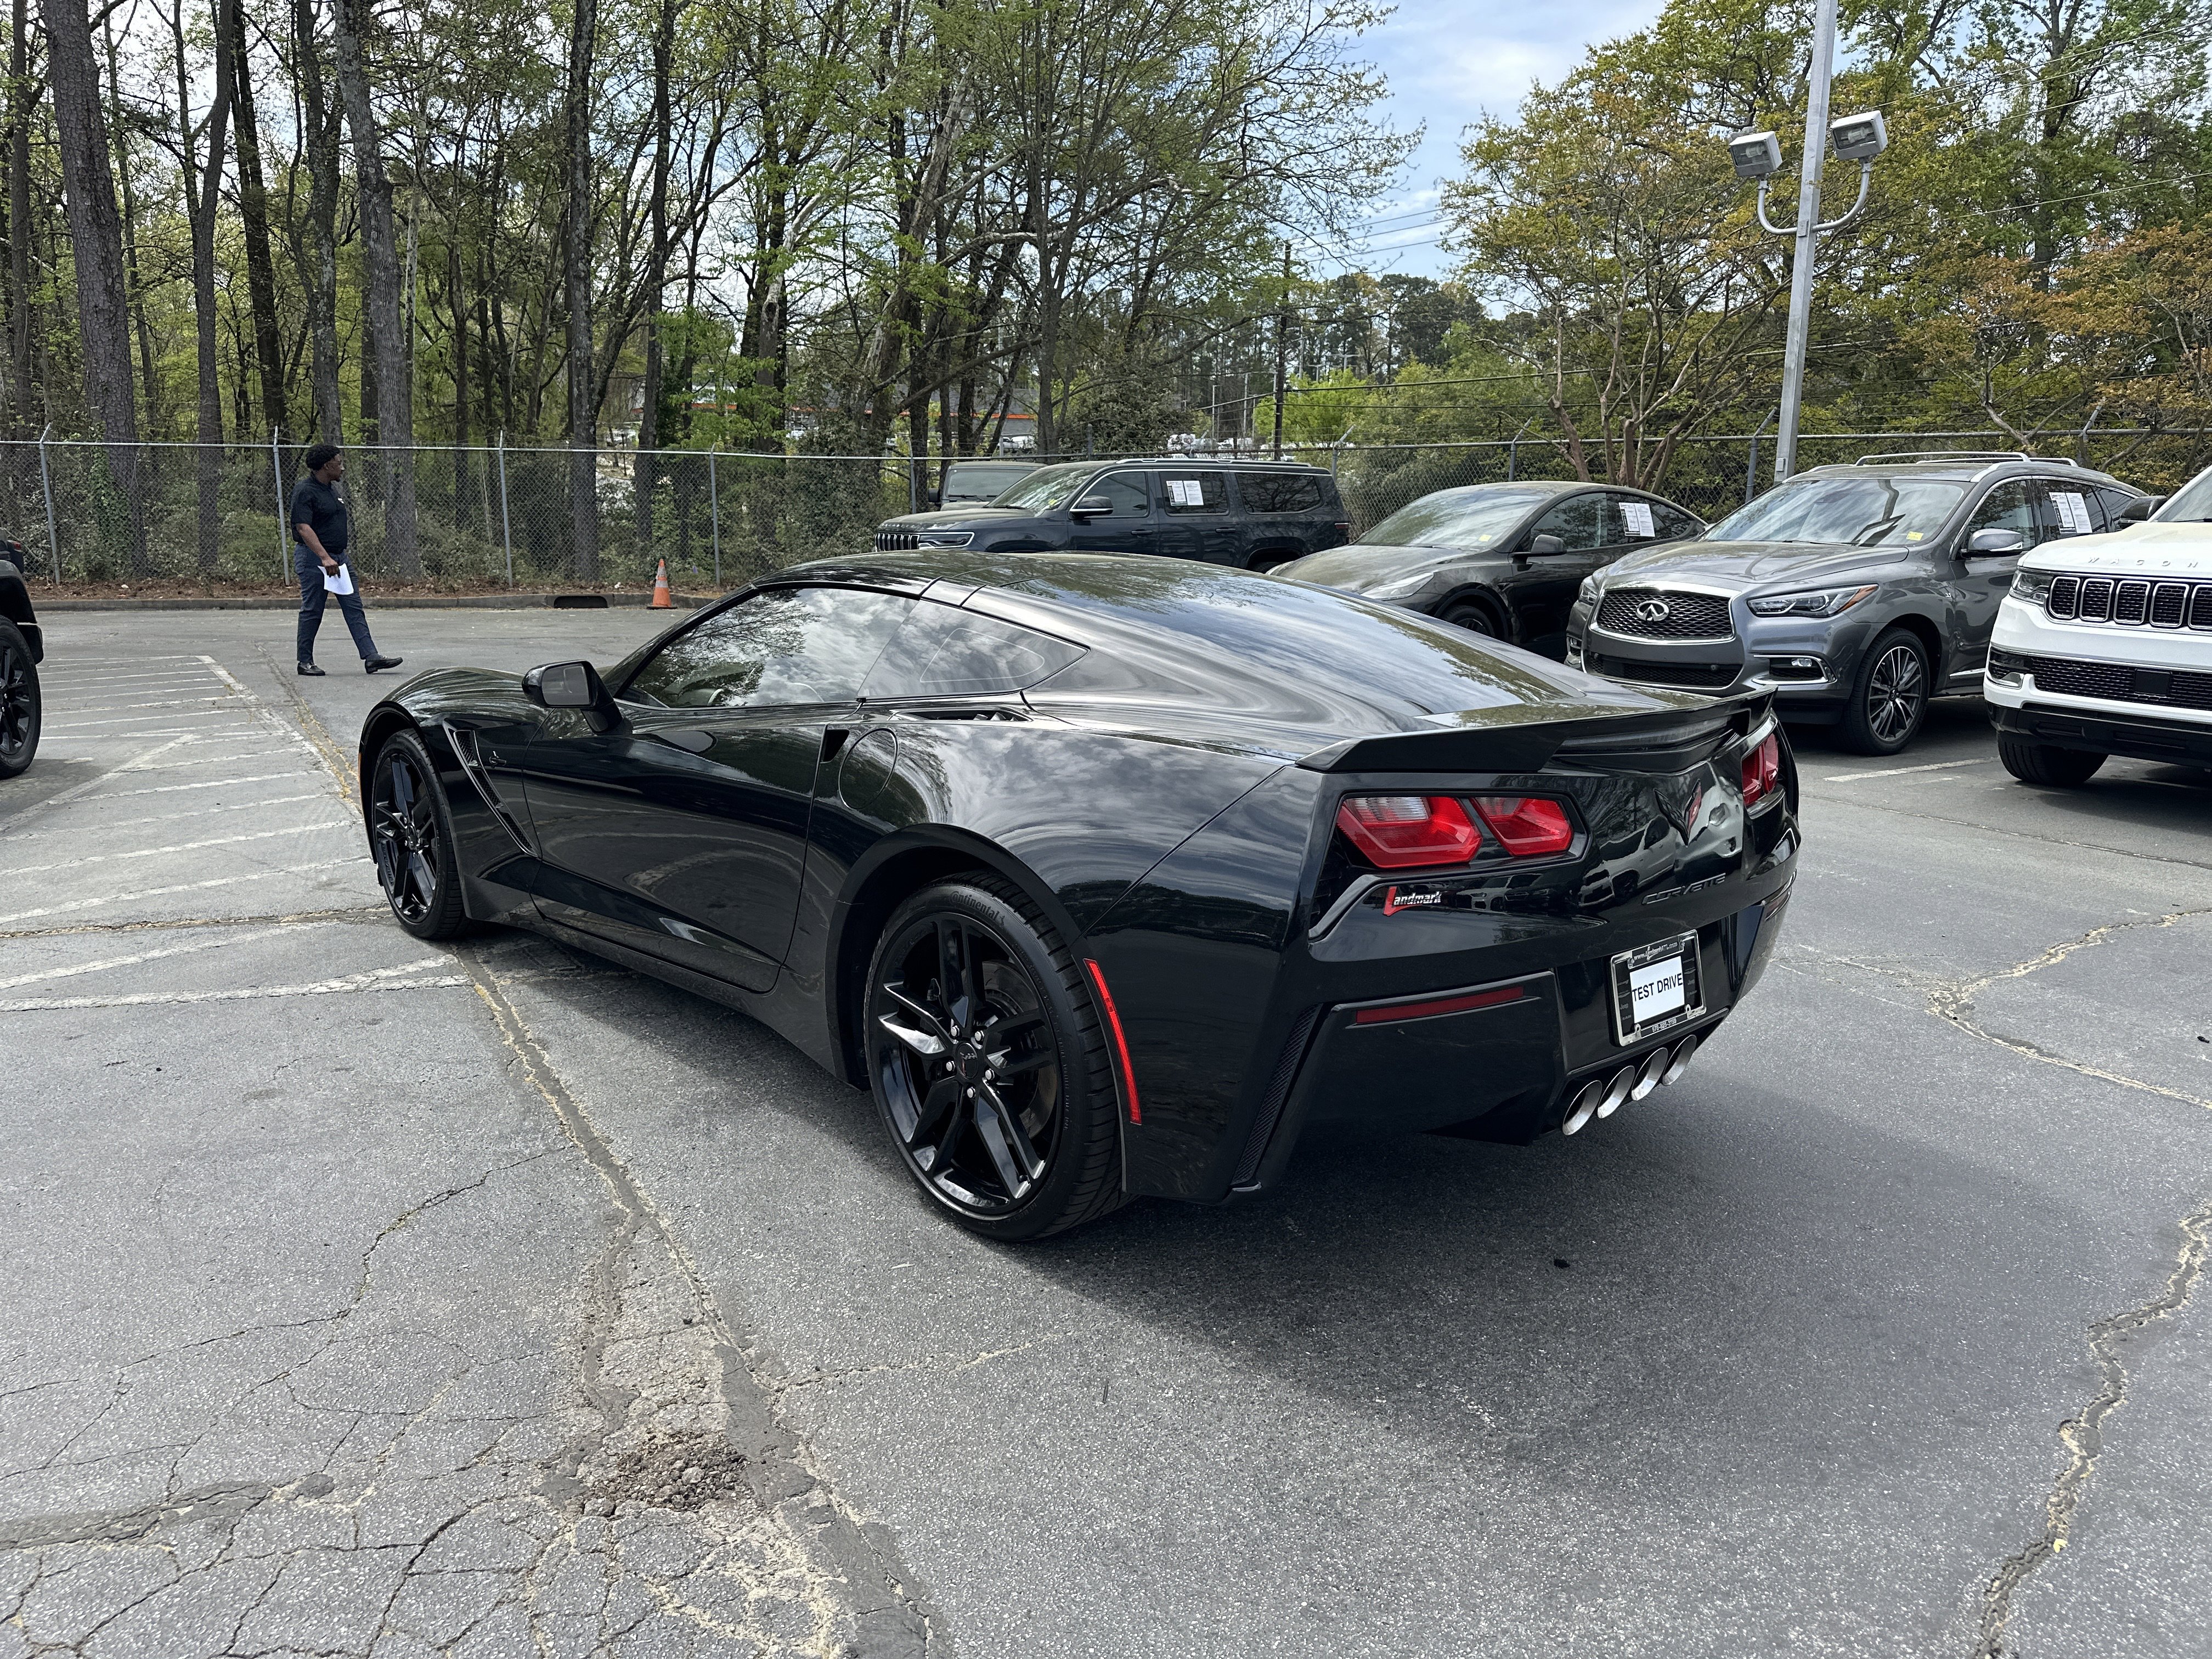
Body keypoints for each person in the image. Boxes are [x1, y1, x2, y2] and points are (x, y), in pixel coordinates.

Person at [290, 443, 401, 677]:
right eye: (339, 463)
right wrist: (324, 557)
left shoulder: (332, 490)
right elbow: (303, 527)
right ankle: (305, 662)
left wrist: (334, 558)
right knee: (313, 609)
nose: (343, 467)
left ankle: (371, 657)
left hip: (339, 558)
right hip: (315, 559)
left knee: (354, 607)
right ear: (326, 465)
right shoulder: (305, 491)